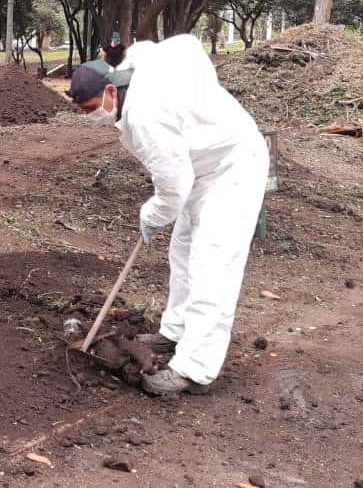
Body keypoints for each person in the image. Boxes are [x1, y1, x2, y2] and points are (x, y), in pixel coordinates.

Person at [65, 33, 268, 396]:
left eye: (90, 107)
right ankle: (174, 333)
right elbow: (185, 43)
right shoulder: (133, 69)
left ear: (111, 90)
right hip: (201, 165)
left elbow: (173, 188)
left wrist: (152, 215)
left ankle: (196, 368)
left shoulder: (145, 114)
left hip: (233, 166)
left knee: (212, 264)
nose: (90, 116)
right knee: (182, 251)